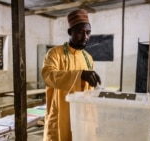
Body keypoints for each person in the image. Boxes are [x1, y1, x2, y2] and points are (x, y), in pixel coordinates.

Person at [42, 9, 101, 141]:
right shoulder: (54, 53)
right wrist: (79, 75)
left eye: (88, 33)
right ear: (70, 32)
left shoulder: (88, 58)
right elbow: (48, 75)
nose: (85, 37)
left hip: (83, 115)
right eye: (80, 32)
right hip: (62, 112)